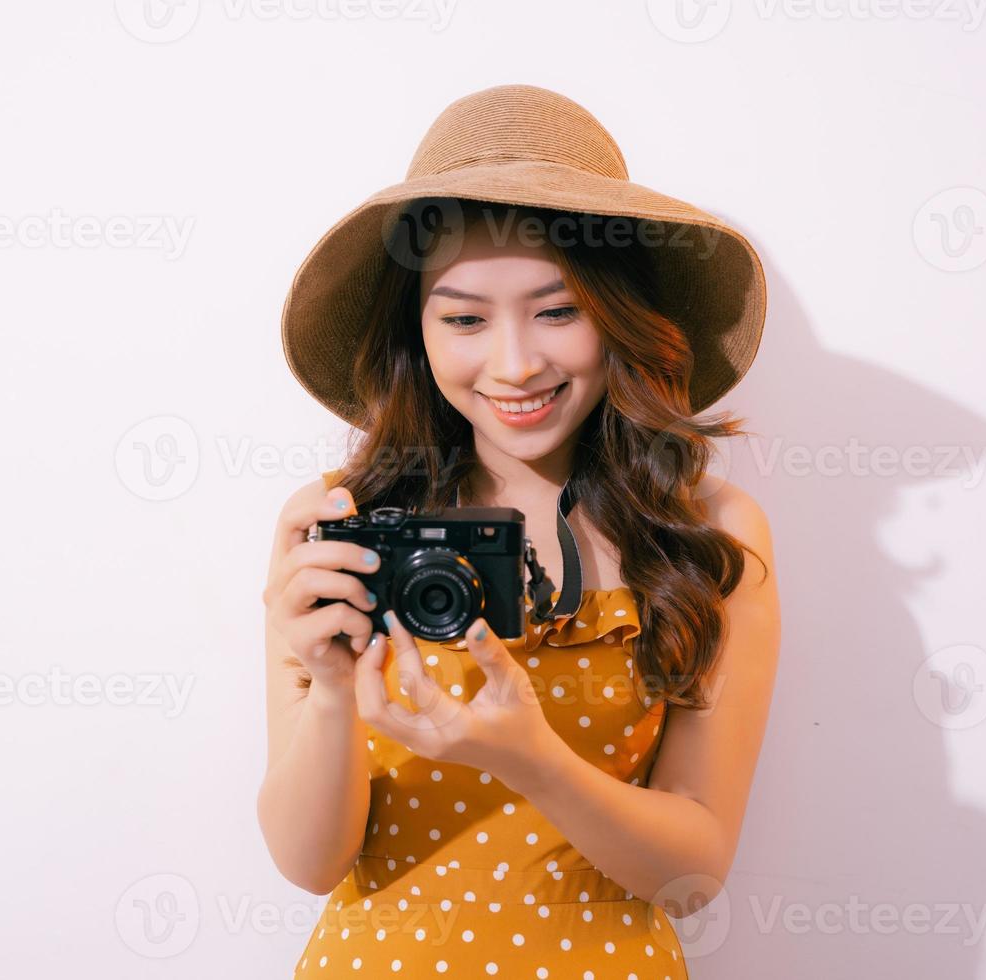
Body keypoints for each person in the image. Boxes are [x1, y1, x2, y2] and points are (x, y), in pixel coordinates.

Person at [259, 83, 781, 978]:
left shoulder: (706, 532)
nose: (513, 364)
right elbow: (309, 865)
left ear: (618, 315)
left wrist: (536, 760)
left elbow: (692, 877)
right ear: (415, 332)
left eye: (557, 310)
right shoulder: (341, 522)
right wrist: (333, 689)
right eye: (463, 318)